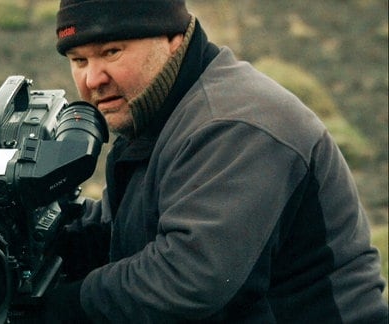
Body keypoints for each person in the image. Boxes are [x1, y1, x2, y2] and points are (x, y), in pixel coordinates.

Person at [41, 0, 389, 323]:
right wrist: (41, 233)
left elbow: (189, 277)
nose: (92, 79)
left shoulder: (232, 124)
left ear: (173, 39)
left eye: (112, 52)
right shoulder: (157, 114)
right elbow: (121, 228)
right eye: (79, 60)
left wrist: (57, 306)